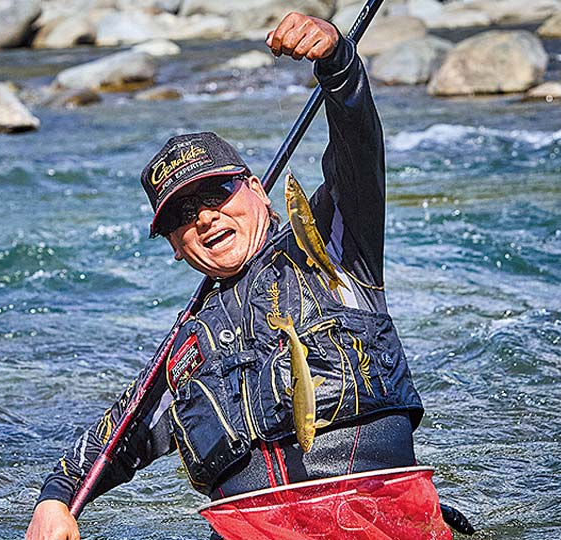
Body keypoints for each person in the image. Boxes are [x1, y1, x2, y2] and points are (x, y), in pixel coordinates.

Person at [26, 11, 451, 540]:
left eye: (215, 194)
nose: (204, 218)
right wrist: (56, 497)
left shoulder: (335, 245)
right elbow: (120, 434)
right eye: (183, 215)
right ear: (175, 246)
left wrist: (338, 62)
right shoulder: (184, 349)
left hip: (378, 523)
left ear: (258, 191)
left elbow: (357, 147)